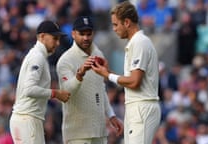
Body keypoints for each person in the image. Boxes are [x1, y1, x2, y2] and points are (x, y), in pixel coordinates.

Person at [91, 1, 161, 144]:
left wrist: (108, 75)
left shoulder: (139, 43)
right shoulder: (136, 43)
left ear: (127, 22)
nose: (114, 29)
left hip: (142, 107)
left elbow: (135, 82)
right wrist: (108, 71)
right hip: (136, 107)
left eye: (116, 24)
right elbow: (131, 79)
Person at [56, 16, 123, 144]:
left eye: (89, 34)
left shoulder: (98, 55)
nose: (86, 38)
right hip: (77, 134)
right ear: (73, 34)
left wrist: (111, 115)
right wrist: (79, 75)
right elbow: (66, 92)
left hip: (99, 131)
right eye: (82, 34)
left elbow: (100, 89)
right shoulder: (65, 61)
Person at [9, 20, 71, 144]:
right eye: (54, 38)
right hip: (27, 119)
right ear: (42, 36)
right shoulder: (37, 57)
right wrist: (56, 93)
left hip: (26, 119)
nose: (58, 43)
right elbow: (29, 90)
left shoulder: (37, 55)